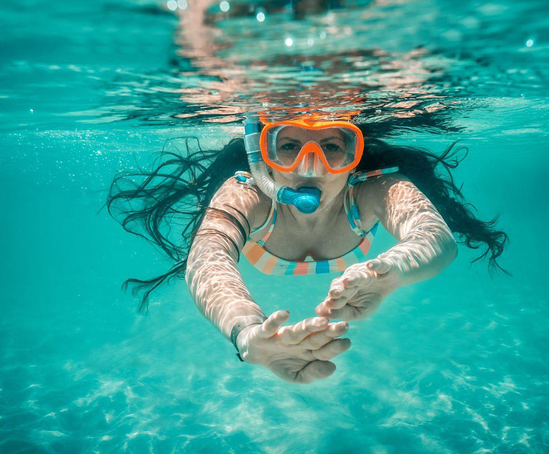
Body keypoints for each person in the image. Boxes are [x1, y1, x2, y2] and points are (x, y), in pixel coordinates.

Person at [107, 112, 508, 384]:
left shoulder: (373, 188)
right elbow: (207, 259)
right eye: (288, 146)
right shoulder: (248, 195)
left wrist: (392, 271)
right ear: (261, 157)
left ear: (354, 157)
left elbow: (433, 237)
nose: (310, 166)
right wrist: (246, 333)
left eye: (332, 147)